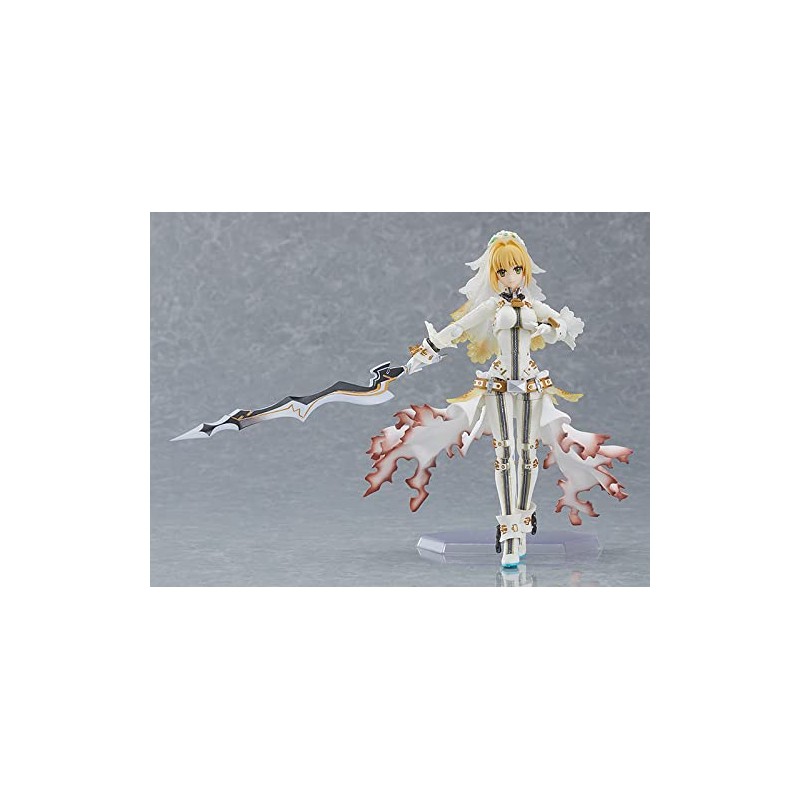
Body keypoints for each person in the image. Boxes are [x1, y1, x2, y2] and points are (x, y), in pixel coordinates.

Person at [364, 230, 632, 568]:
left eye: (516, 269)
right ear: (493, 274)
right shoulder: (492, 306)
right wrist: (424, 352)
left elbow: (564, 326)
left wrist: (550, 330)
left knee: (528, 454)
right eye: (502, 271)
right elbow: (459, 328)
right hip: (501, 384)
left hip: (531, 384)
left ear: (525, 270)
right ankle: (509, 534)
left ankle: (523, 522)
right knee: (505, 455)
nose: (511, 276)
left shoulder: (533, 305)